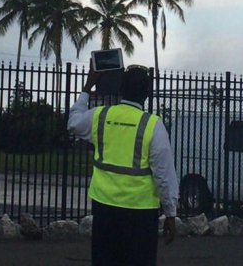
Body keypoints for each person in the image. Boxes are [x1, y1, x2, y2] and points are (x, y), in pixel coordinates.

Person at [67, 64, 179, 266]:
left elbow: (73, 122)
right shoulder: (153, 125)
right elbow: (164, 175)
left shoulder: (100, 116)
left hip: (104, 209)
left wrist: (87, 88)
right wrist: (171, 214)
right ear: (147, 94)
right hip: (140, 215)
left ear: (120, 90)